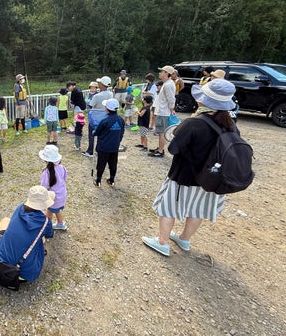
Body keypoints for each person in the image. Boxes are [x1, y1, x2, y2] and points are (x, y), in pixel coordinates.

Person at [142, 79, 238, 257]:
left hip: (184, 176)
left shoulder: (194, 123)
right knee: (198, 209)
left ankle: (162, 242)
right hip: (211, 179)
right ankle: (184, 239)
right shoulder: (230, 125)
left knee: (168, 207)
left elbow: (174, 148)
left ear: (204, 101)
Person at [0, 185, 55, 283]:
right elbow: (50, 234)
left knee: (5, 220)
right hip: (21, 275)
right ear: (44, 204)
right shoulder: (45, 222)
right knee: (40, 240)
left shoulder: (20, 208)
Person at [93, 99, 125, 187]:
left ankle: (98, 180)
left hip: (103, 147)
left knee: (101, 163)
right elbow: (122, 133)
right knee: (113, 163)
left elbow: (96, 132)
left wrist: (93, 131)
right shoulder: (121, 120)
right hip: (114, 146)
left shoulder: (104, 120)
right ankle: (112, 180)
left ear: (107, 109)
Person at [82, 76, 113, 158]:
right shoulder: (111, 94)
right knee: (102, 135)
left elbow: (90, 106)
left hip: (95, 119)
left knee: (92, 135)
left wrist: (87, 102)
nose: (98, 84)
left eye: (99, 83)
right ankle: (99, 150)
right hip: (106, 117)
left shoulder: (97, 96)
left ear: (102, 84)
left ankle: (90, 151)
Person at [149, 66, 176, 158]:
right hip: (161, 111)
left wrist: (171, 109)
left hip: (163, 112)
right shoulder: (167, 83)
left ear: (167, 73)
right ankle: (159, 148)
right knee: (160, 131)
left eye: (162, 71)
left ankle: (160, 151)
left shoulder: (168, 85)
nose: (160, 73)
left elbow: (171, 99)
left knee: (162, 132)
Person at [39, 145, 68, 230]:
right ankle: (60, 224)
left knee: (49, 211)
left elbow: (44, 186)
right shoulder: (62, 167)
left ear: (45, 160)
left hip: (52, 198)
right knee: (57, 210)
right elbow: (65, 177)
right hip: (62, 195)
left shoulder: (46, 172)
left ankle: (47, 227)